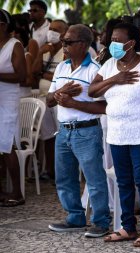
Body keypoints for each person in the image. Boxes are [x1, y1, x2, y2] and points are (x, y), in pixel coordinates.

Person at [89, 22, 140, 247]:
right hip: (117, 135)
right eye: (112, 39)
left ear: (131, 43)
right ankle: (128, 227)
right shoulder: (110, 65)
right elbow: (92, 91)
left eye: (118, 40)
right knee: (123, 182)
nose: (113, 44)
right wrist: (115, 79)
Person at [46, 24, 111, 238]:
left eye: (68, 42)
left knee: (94, 179)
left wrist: (74, 103)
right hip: (63, 131)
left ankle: (101, 222)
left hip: (87, 131)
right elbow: (48, 101)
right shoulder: (62, 67)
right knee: (64, 178)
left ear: (83, 44)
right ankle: (75, 217)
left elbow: (104, 106)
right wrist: (61, 93)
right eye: (63, 41)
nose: (63, 45)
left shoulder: (95, 70)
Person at [32, 19, 68, 180]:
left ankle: (63, 172)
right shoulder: (46, 49)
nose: (51, 32)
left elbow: (62, 77)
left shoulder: (67, 52)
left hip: (59, 99)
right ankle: (49, 171)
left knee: (62, 135)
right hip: (43, 98)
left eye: (56, 30)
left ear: (64, 34)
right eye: (50, 28)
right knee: (48, 137)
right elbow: (34, 71)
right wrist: (40, 53)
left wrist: (43, 74)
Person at [0, 9, 27, 207]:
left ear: (3, 25)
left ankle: (17, 192)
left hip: (8, 101)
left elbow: (21, 76)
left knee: (7, 144)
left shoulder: (14, 45)